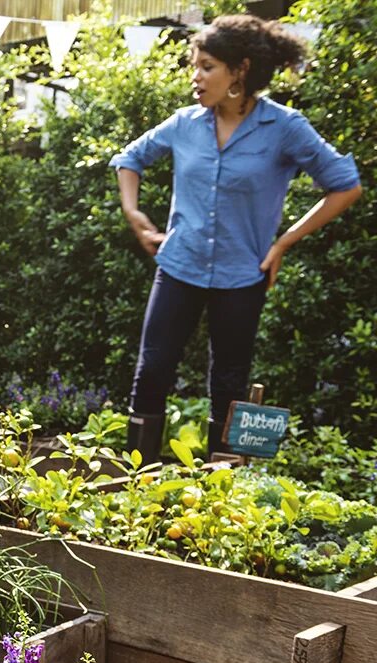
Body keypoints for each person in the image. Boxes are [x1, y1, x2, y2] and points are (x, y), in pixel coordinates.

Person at [110, 14, 361, 463]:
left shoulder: (284, 127)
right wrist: (133, 211)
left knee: (228, 384)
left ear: (239, 71)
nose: (196, 76)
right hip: (179, 265)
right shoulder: (185, 123)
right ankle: (134, 484)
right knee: (152, 373)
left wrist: (283, 242)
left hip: (242, 275)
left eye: (207, 66)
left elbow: (345, 184)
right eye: (194, 65)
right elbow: (130, 158)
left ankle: (221, 493)